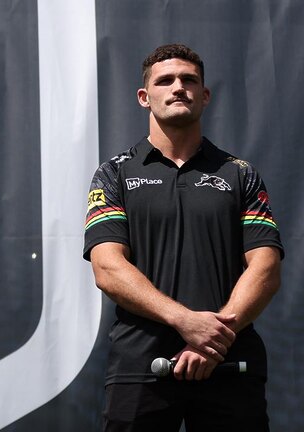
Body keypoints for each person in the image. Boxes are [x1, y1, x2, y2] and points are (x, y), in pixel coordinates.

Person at [84, 44, 283, 431]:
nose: (179, 87)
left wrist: (212, 340)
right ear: (145, 97)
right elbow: (108, 268)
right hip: (140, 365)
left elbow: (266, 268)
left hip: (230, 363)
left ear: (204, 95)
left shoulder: (239, 173)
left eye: (189, 80)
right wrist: (186, 321)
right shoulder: (114, 174)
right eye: (165, 80)